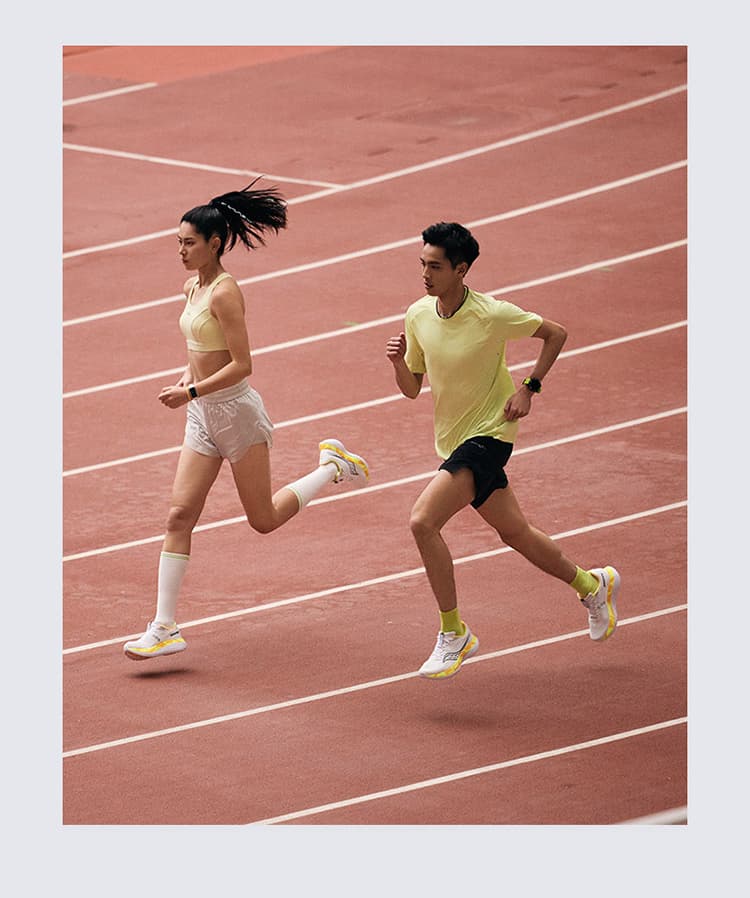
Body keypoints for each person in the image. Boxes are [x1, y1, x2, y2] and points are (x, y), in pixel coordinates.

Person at [124, 179, 369, 660]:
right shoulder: (191, 287)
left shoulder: (225, 293)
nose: (181, 251)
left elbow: (242, 364)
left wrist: (190, 391)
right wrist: (188, 382)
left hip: (235, 413)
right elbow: (199, 350)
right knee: (179, 515)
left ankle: (332, 467)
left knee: (263, 520)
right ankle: (164, 627)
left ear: (215, 243)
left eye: (189, 243)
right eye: (178, 242)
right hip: (202, 416)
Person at [386, 221, 620, 680]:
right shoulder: (417, 315)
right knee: (516, 533)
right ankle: (592, 585)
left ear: (461, 269)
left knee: (422, 521)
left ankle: (454, 632)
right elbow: (412, 388)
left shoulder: (491, 314)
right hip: (455, 441)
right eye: (423, 264)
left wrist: (529, 388)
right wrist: (398, 363)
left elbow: (556, 333)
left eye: (436, 267)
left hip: (490, 435)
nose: (426, 274)